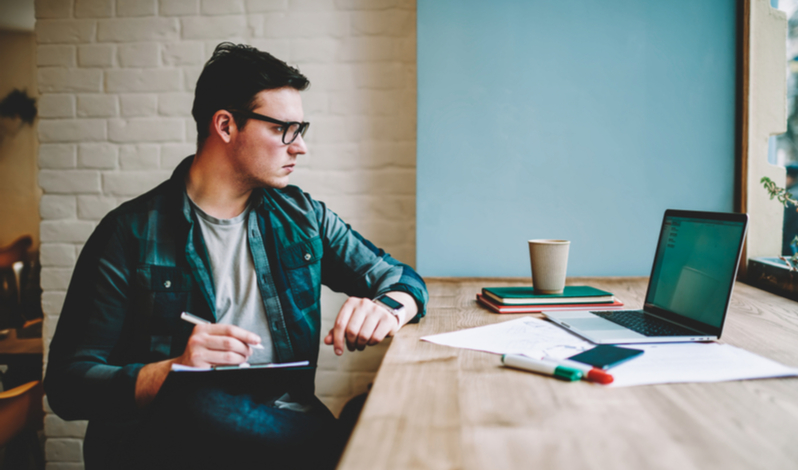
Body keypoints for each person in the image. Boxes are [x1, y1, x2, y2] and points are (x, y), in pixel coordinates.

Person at [44, 42, 428, 470]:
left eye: (302, 130)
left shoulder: (302, 217)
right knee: (201, 401)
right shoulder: (128, 233)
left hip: (283, 423)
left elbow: (399, 278)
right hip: (171, 442)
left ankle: (345, 445)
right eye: (284, 129)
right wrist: (174, 371)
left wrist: (389, 310)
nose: (299, 147)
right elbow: (67, 385)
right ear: (226, 126)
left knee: (369, 409)